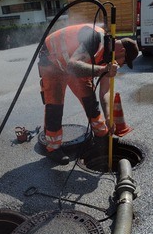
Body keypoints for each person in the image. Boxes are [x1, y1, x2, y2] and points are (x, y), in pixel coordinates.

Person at [38, 23, 139, 165]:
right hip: (51, 61)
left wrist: (109, 117)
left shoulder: (109, 58)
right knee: (55, 106)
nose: (121, 65)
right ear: (121, 50)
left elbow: (105, 92)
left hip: (74, 67)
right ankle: (53, 149)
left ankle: (101, 136)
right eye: (124, 62)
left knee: (90, 100)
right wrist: (102, 70)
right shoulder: (95, 39)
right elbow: (73, 65)